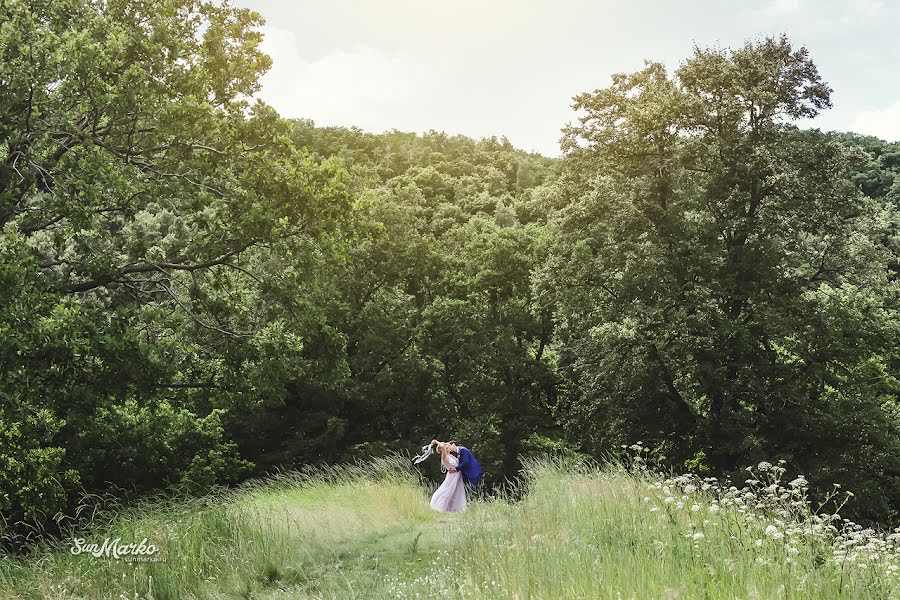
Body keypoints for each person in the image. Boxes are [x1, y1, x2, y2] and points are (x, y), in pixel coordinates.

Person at [428, 441, 467, 512]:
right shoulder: (444, 457)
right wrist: (436, 442)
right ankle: (440, 507)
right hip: (452, 476)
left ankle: (453, 508)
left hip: (457, 475)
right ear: (443, 450)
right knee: (449, 490)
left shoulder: (450, 456)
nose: (448, 447)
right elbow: (442, 447)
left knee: (456, 491)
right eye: (446, 447)